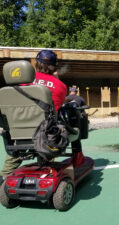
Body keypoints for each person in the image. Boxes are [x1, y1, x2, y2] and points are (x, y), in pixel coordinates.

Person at [0, 50, 68, 184]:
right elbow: (57, 108)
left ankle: (4, 176)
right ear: (54, 67)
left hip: (18, 134)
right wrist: (56, 79)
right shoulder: (60, 86)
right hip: (45, 136)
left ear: (36, 64)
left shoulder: (13, 88)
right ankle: (47, 166)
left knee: (18, 143)